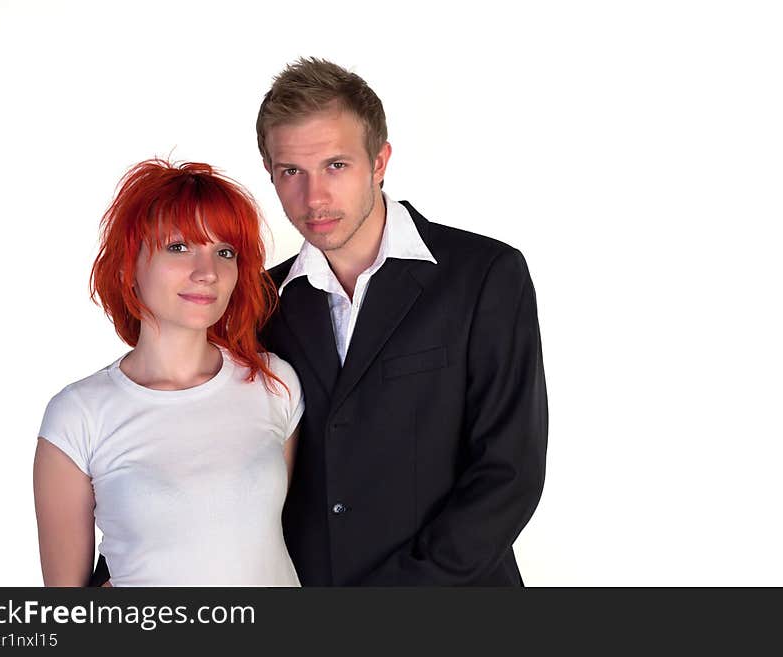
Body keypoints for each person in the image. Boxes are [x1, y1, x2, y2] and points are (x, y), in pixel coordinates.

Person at [93, 57, 548, 586]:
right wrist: (117, 571)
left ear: (379, 162)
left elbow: (508, 474)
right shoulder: (255, 300)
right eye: (292, 172)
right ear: (270, 172)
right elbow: (196, 442)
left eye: (336, 165)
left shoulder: (484, 275)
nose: (314, 198)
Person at [34, 159, 303, 586]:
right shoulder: (78, 416)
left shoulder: (274, 383)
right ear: (128, 266)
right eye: (179, 247)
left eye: (225, 252)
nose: (207, 272)